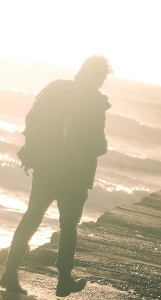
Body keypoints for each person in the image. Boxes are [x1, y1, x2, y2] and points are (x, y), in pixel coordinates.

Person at [0, 56, 112, 297]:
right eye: (102, 77)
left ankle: (10, 271)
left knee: (32, 217)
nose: (102, 82)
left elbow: (33, 119)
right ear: (95, 75)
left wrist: (32, 153)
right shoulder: (94, 101)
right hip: (75, 174)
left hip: (47, 167)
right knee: (69, 227)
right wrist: (102, 146)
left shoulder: (57, 88)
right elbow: (97, 143)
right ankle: (63, 280)